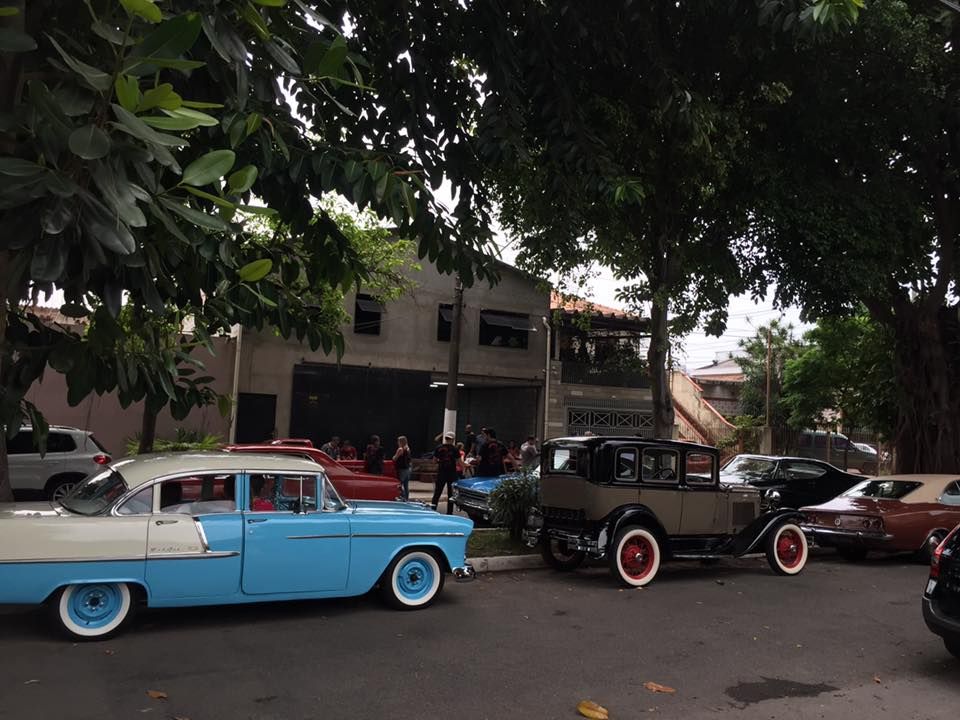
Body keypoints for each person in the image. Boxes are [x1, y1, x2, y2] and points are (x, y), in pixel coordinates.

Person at [432, 432, 459, 510]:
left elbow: (434, 461)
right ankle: (449, 512)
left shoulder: (438, 448)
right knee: (450, 494)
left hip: (441, 472)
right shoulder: (455, 449)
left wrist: (440, 462)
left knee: (437, 492)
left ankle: (433, 509)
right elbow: (458, 462)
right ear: (453, 439)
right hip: (452, 473)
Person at [393, 436, 412, 500]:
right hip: (407, 469)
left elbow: (395, 458)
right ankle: (407, 499)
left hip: (401, 469)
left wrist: (394, 457)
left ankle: (402, 498)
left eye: (398, 441)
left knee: (399, 484)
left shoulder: (400, 449)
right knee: (406, 486)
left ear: (401, 442)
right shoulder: (407, 448)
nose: (397, 443)